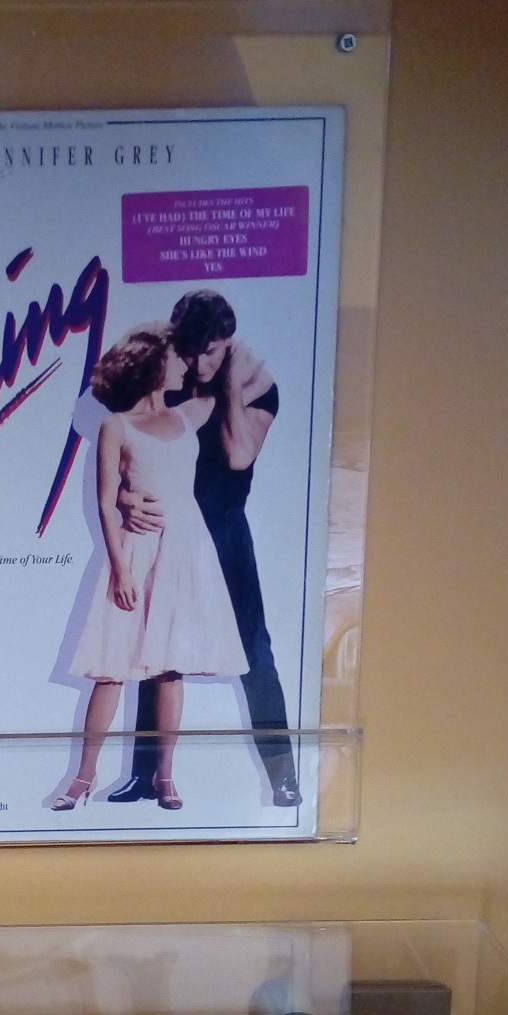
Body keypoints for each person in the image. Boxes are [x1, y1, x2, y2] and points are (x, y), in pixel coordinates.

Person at [107, 290, 302, 808]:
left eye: (211, 352)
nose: (198, 364)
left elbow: (238, 456)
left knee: (255, 654)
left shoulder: (258, 388)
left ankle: (284, 779)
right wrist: (124, 499)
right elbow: (120, 449)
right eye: (190, 351)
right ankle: (145, 775)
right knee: (154, 649)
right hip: (163, 528)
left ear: (229, 344)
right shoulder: (163, 383)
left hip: (224, 534)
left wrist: (230, 382)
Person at [51, 327, 246, 812]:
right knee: (111, 669)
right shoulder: (116, 425)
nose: (185, 365)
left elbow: (223, 379)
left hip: (185, 551)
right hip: (137, 552)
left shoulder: (187, 415)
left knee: (169, 668)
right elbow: (103, 500)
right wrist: (120, 569)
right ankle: (83, 776)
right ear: (154, 366)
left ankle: (166, 775)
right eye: (175, 358)